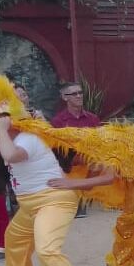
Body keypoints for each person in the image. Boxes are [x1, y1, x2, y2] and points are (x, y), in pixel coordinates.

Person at [0, 103, 94, 266]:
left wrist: (0, 127)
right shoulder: (10, 139)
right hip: (30, 205)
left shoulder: (27, 138)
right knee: (14, 239)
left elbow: (11, 156)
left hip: (54, 201)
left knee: (47, 248)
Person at [51, 82, 101, 218]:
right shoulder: (58, 122)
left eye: (80, 92)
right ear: (65, 97)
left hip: (91, 158)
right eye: (74, 94)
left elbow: (100, 142)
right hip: (70, 162)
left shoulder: (93, 118)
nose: (79, 96)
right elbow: (58, 150)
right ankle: (80, 198)